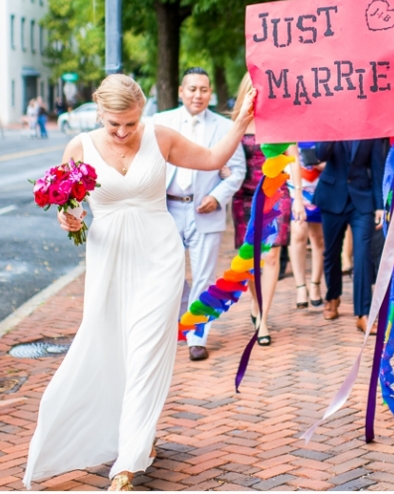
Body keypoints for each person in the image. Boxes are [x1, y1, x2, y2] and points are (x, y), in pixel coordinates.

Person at [23, 74, 255, 491]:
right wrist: (69, 217)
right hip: (108, 260)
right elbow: (68, 206)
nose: (124, 131)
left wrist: (240, 122)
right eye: (115, 124)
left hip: (159, 258)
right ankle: (127, 440)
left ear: (142, 111)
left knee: (148, 350)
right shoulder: (80, 147)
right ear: (98, 111)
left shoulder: (161, 137)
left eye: (131, 122)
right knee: (108, 348)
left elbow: (212, 157)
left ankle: (127, 462)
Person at [152, 67, 245, 361]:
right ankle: (186, 316)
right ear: (181, 91)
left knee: (204, 277)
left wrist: (217, 197)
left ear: (210, 93)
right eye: (192, 89)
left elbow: (237, 171)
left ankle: (197, 335)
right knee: (169, 274)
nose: (198, 95)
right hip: (166, 209)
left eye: (204, 90)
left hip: (205, 210)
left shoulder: (223, 126)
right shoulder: (159, 122)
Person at [230, 72, 292, 346]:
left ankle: (263, 318)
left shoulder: (281, 121)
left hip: (277, 194)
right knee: (253, 258)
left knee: (273, 257)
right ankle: (255, 305)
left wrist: (299, 198)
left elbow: (292, 157)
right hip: (245, 197)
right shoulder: (237, 123)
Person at [313, 139, 385, 334]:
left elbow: (377, 166)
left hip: (361, 200)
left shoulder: (369, 126)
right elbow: (320, 154)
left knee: (362, 254)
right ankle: (333, 296)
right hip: (331, 196)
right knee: (332, 252)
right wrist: (332, 131)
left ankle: (363, 314)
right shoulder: (328, 122)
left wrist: (380, 205)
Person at [286, 143, 325, 309]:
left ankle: (315, 284)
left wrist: (325, 164)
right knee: (297, 233)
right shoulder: (289, 128)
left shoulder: (324, 127)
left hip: (321, 186)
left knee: (318, 238)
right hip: (294, 186)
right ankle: (300, 286)